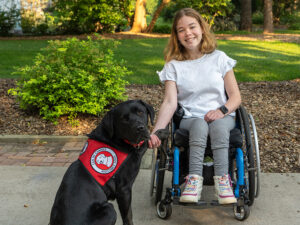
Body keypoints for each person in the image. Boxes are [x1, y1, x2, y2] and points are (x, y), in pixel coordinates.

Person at [148, 8, 241, 204]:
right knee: (199, 124)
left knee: (216, 126)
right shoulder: (173, 65)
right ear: (176, 36)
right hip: (190, 118)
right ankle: (193, 180)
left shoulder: (219, 58)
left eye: (192, 27)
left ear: (202, 29)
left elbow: (235, 97)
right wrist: (157, 131)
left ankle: (223, 182)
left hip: (222, 116)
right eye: (181, 30)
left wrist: (221, 111)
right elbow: (170, 102)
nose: (188, 33)